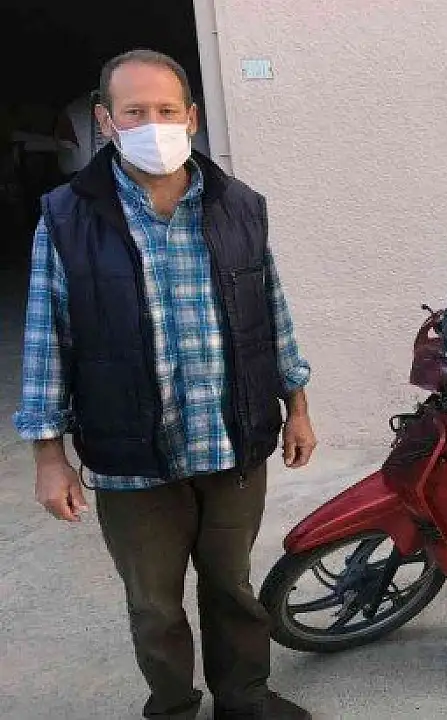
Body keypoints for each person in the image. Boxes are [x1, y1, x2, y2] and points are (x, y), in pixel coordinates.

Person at [13, 49, 315, 720]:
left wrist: (296, 405)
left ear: (192, 118)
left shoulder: (239, 207)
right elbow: (46, 339)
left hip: (231, 440)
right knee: (154, 604)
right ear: (106, 121)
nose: (153, 124)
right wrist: (48, 456)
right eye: (135, 112)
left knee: (232, 586)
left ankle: (244, 697)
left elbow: (272, 313)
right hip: (131, 456)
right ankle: (173, 706)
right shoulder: (67, 217)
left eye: (166, 110)